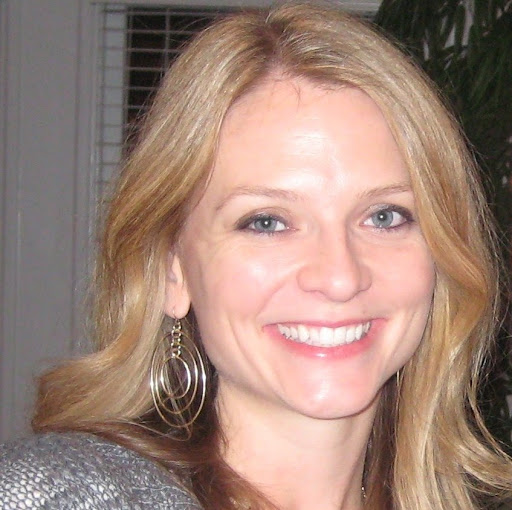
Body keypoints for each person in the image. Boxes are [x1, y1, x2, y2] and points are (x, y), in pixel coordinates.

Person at [1, 2, 511, 509]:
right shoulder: (66, 494)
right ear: (171, 268)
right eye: (267, 222)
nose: (340, 277)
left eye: (383, 216)